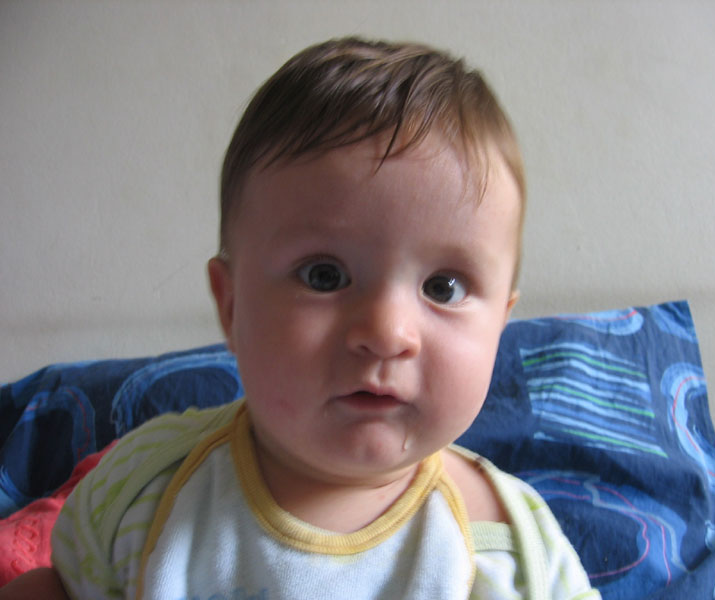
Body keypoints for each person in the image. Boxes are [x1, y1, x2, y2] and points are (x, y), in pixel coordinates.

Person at [5, 37, 600, 599]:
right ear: (231, 305)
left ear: (501, 322)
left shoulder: (513, 548)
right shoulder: (146, 485)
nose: (387, 334)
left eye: (443, 288)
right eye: (324, 276)